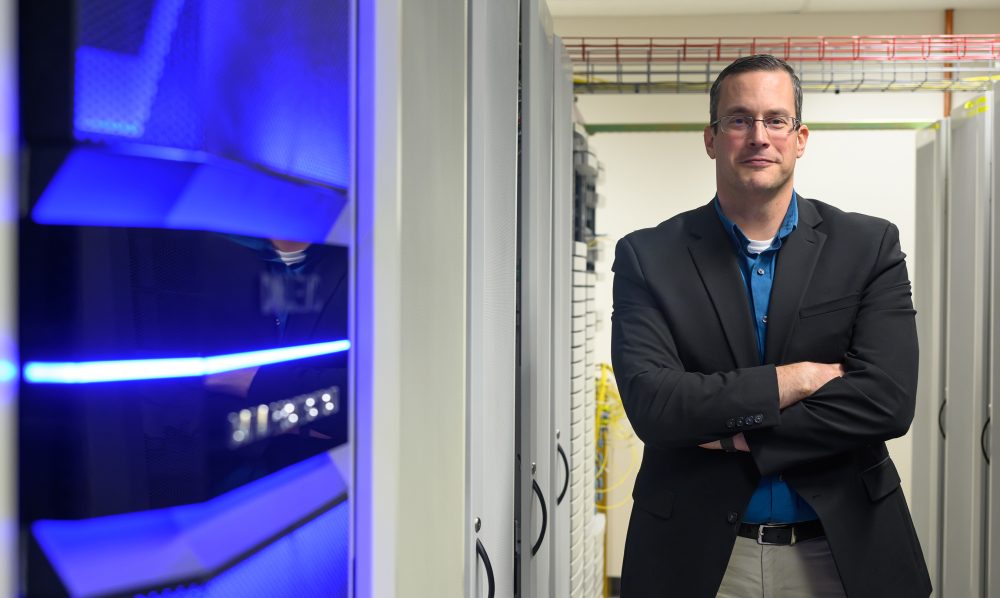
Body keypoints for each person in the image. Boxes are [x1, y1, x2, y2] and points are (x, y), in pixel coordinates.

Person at [610, 54, 931, 598]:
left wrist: (739, 438)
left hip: (842, 552)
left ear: (800, 137)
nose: (759, 136)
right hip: (696, 560)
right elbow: (656, 406)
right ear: (711, 138)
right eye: (739, 119)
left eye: (775, 120)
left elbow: (887, 400)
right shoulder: (649, 256)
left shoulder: (868, 247)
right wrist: (797, 379)